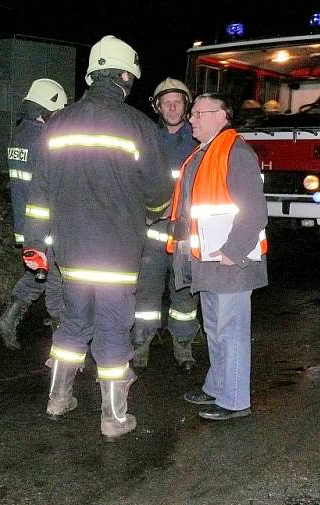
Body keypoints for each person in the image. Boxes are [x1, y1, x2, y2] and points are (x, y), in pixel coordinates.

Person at [23, 35, 173, 438]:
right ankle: (113, 418)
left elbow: (39, 194)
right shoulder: (139, 126)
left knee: (73, 324)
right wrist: (151, 215)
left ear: (92, 75)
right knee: (111, 328)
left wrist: (34, 243)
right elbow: (160, 193)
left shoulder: (58, 123)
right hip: (117, 253)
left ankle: (58, 398)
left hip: (70, 253)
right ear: (124, 75)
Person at [166, 93, 268, 421]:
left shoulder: (235, 151)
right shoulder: (205, 152)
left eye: (198, 113)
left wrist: (231, 252)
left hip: (229, 261)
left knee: (231, 329)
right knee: (215, 328)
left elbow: (254, 211)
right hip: (208, 260)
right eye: (192, 113)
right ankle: (217, 386)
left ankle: (235, 400)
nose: (191, 118)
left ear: (221, 115)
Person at [0, 78, 68, 350]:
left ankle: (7, 320)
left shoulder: (20, 135)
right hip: (45, 225)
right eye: (58, 113)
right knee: (58, 279)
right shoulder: (46, 141)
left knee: (39, 275)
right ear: (47, 110)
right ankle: (64, 344)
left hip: (26, 224)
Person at [131, 77, 199, 370]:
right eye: (166, 102)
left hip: (187, 231)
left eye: (178, 101)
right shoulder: (147, 139)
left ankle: (183, 345)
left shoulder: (199, 141)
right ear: (158, 107)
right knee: (146, 291)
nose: (172, 107)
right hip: (153, 230)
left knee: (184, 290)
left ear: (186, 106)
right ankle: (141, 343)